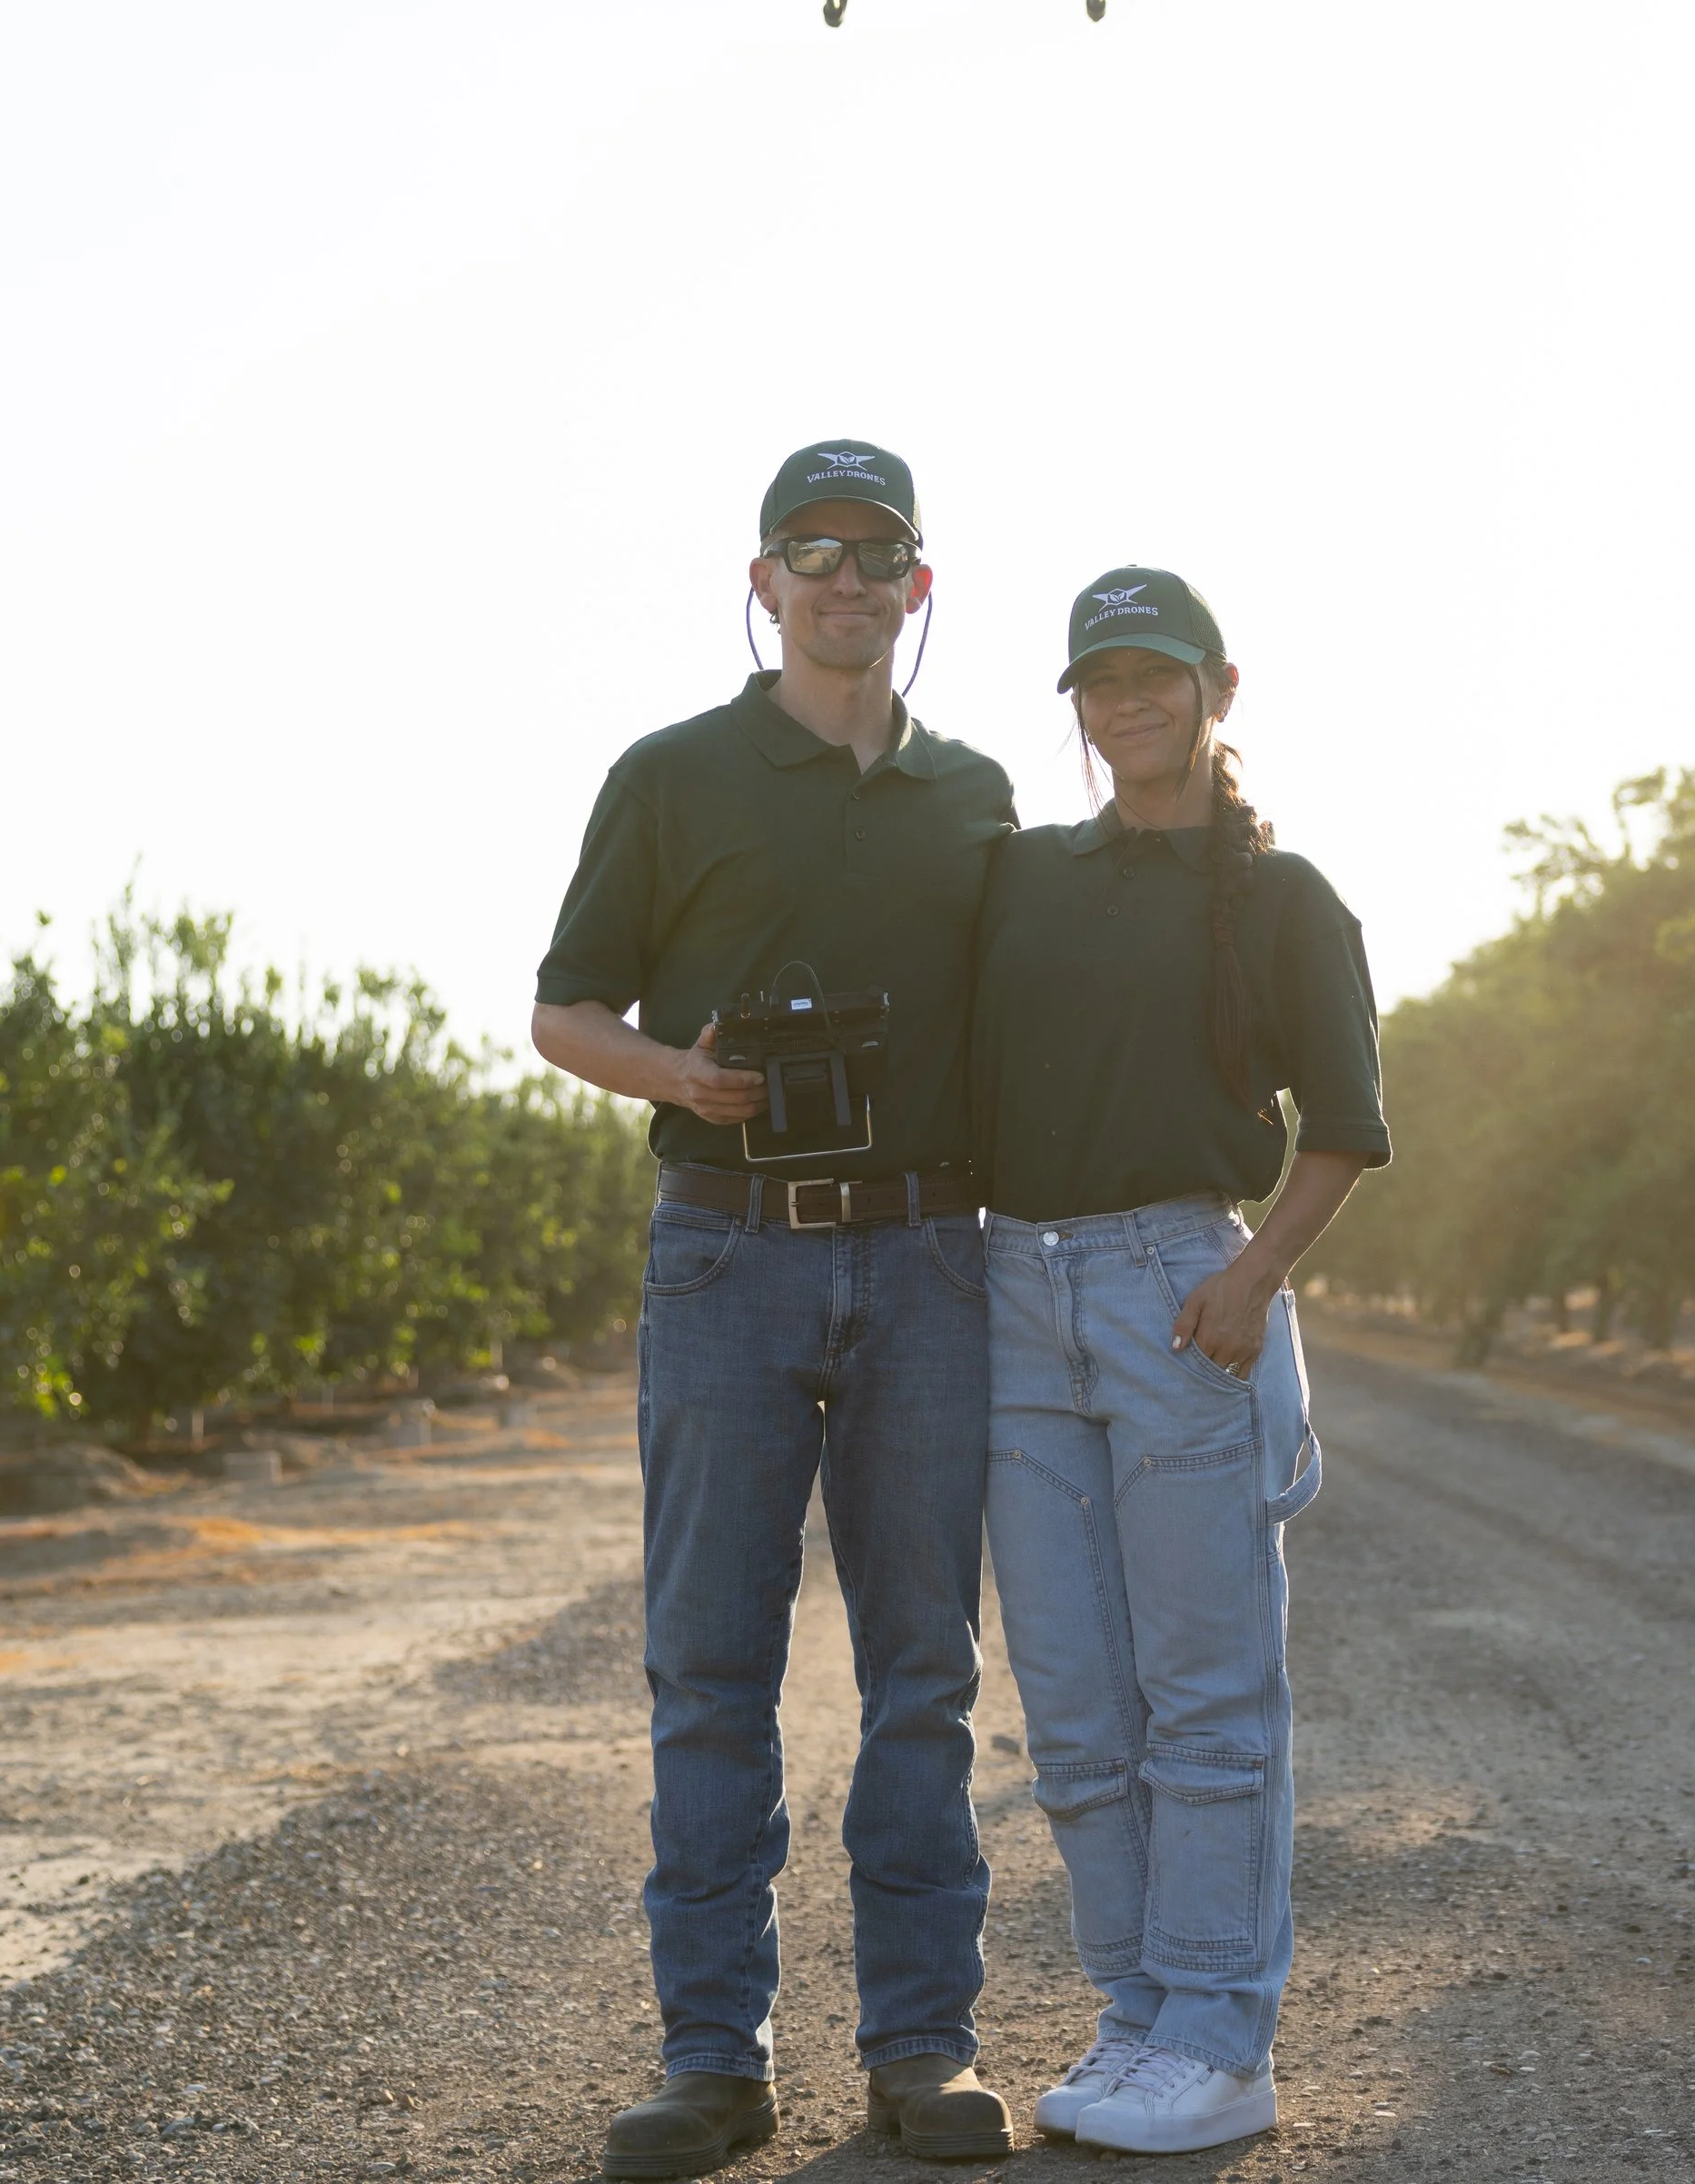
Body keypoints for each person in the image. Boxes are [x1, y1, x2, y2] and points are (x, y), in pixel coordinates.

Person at [531, 441, 1018, 2179]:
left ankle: (921, 2050)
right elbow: (561, 1011)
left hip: (929, 1253)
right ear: (761, 581)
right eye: (809, 549)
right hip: (726, 1245)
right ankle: (709, 2061)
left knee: (923, 1673)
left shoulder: (977, 792)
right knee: (711, 1670)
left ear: (918, 587)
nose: (844, 577)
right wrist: (683, 1075)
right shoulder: (667, 775)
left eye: (876, 551)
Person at [968, 565, 1391, 2155]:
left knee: (1206, 1698)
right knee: (1075, 1706)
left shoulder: (1284, 899)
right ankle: (1136, 2014)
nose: (1126, 702)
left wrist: (1256, 1274)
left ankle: (1221, 2034)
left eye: (1154, 674)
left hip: (1178, 1290)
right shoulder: (1023, 877)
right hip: (1015, 1288)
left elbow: (1345, 1129)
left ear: (1219, 687)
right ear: (1074, 705)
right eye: (1098, 681)